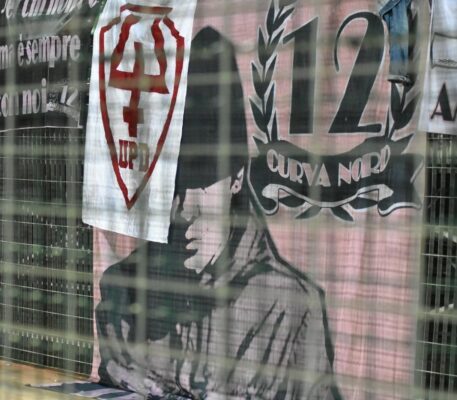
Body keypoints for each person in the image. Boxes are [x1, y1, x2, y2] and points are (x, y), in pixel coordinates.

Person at [96, 26, 342, 400]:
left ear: (236, 179)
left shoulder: (289, 308)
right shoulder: (123, 290)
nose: (184, 210)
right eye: (173, 186)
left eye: (202, 183)